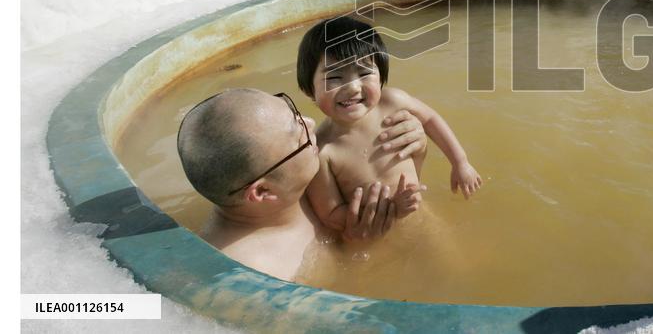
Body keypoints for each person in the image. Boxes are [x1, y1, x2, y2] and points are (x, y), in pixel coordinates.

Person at [176, 88, 428, 282]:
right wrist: (360, 250)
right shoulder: (248, 274)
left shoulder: (294, 177)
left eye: (294, 112)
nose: (310, 123)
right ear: (263, 192)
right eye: (299, 136)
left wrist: (411, 151)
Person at [297, 15, 482, 232]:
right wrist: (392, 211)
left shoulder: (392, 102)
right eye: (335, 77)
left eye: (365, 73)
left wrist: (460, 163)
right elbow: (331, 214)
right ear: (309, 88)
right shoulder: (322, 152)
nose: (353, 88)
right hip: (372, 235)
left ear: (382, 76)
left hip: (420, 215)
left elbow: (431, 119)